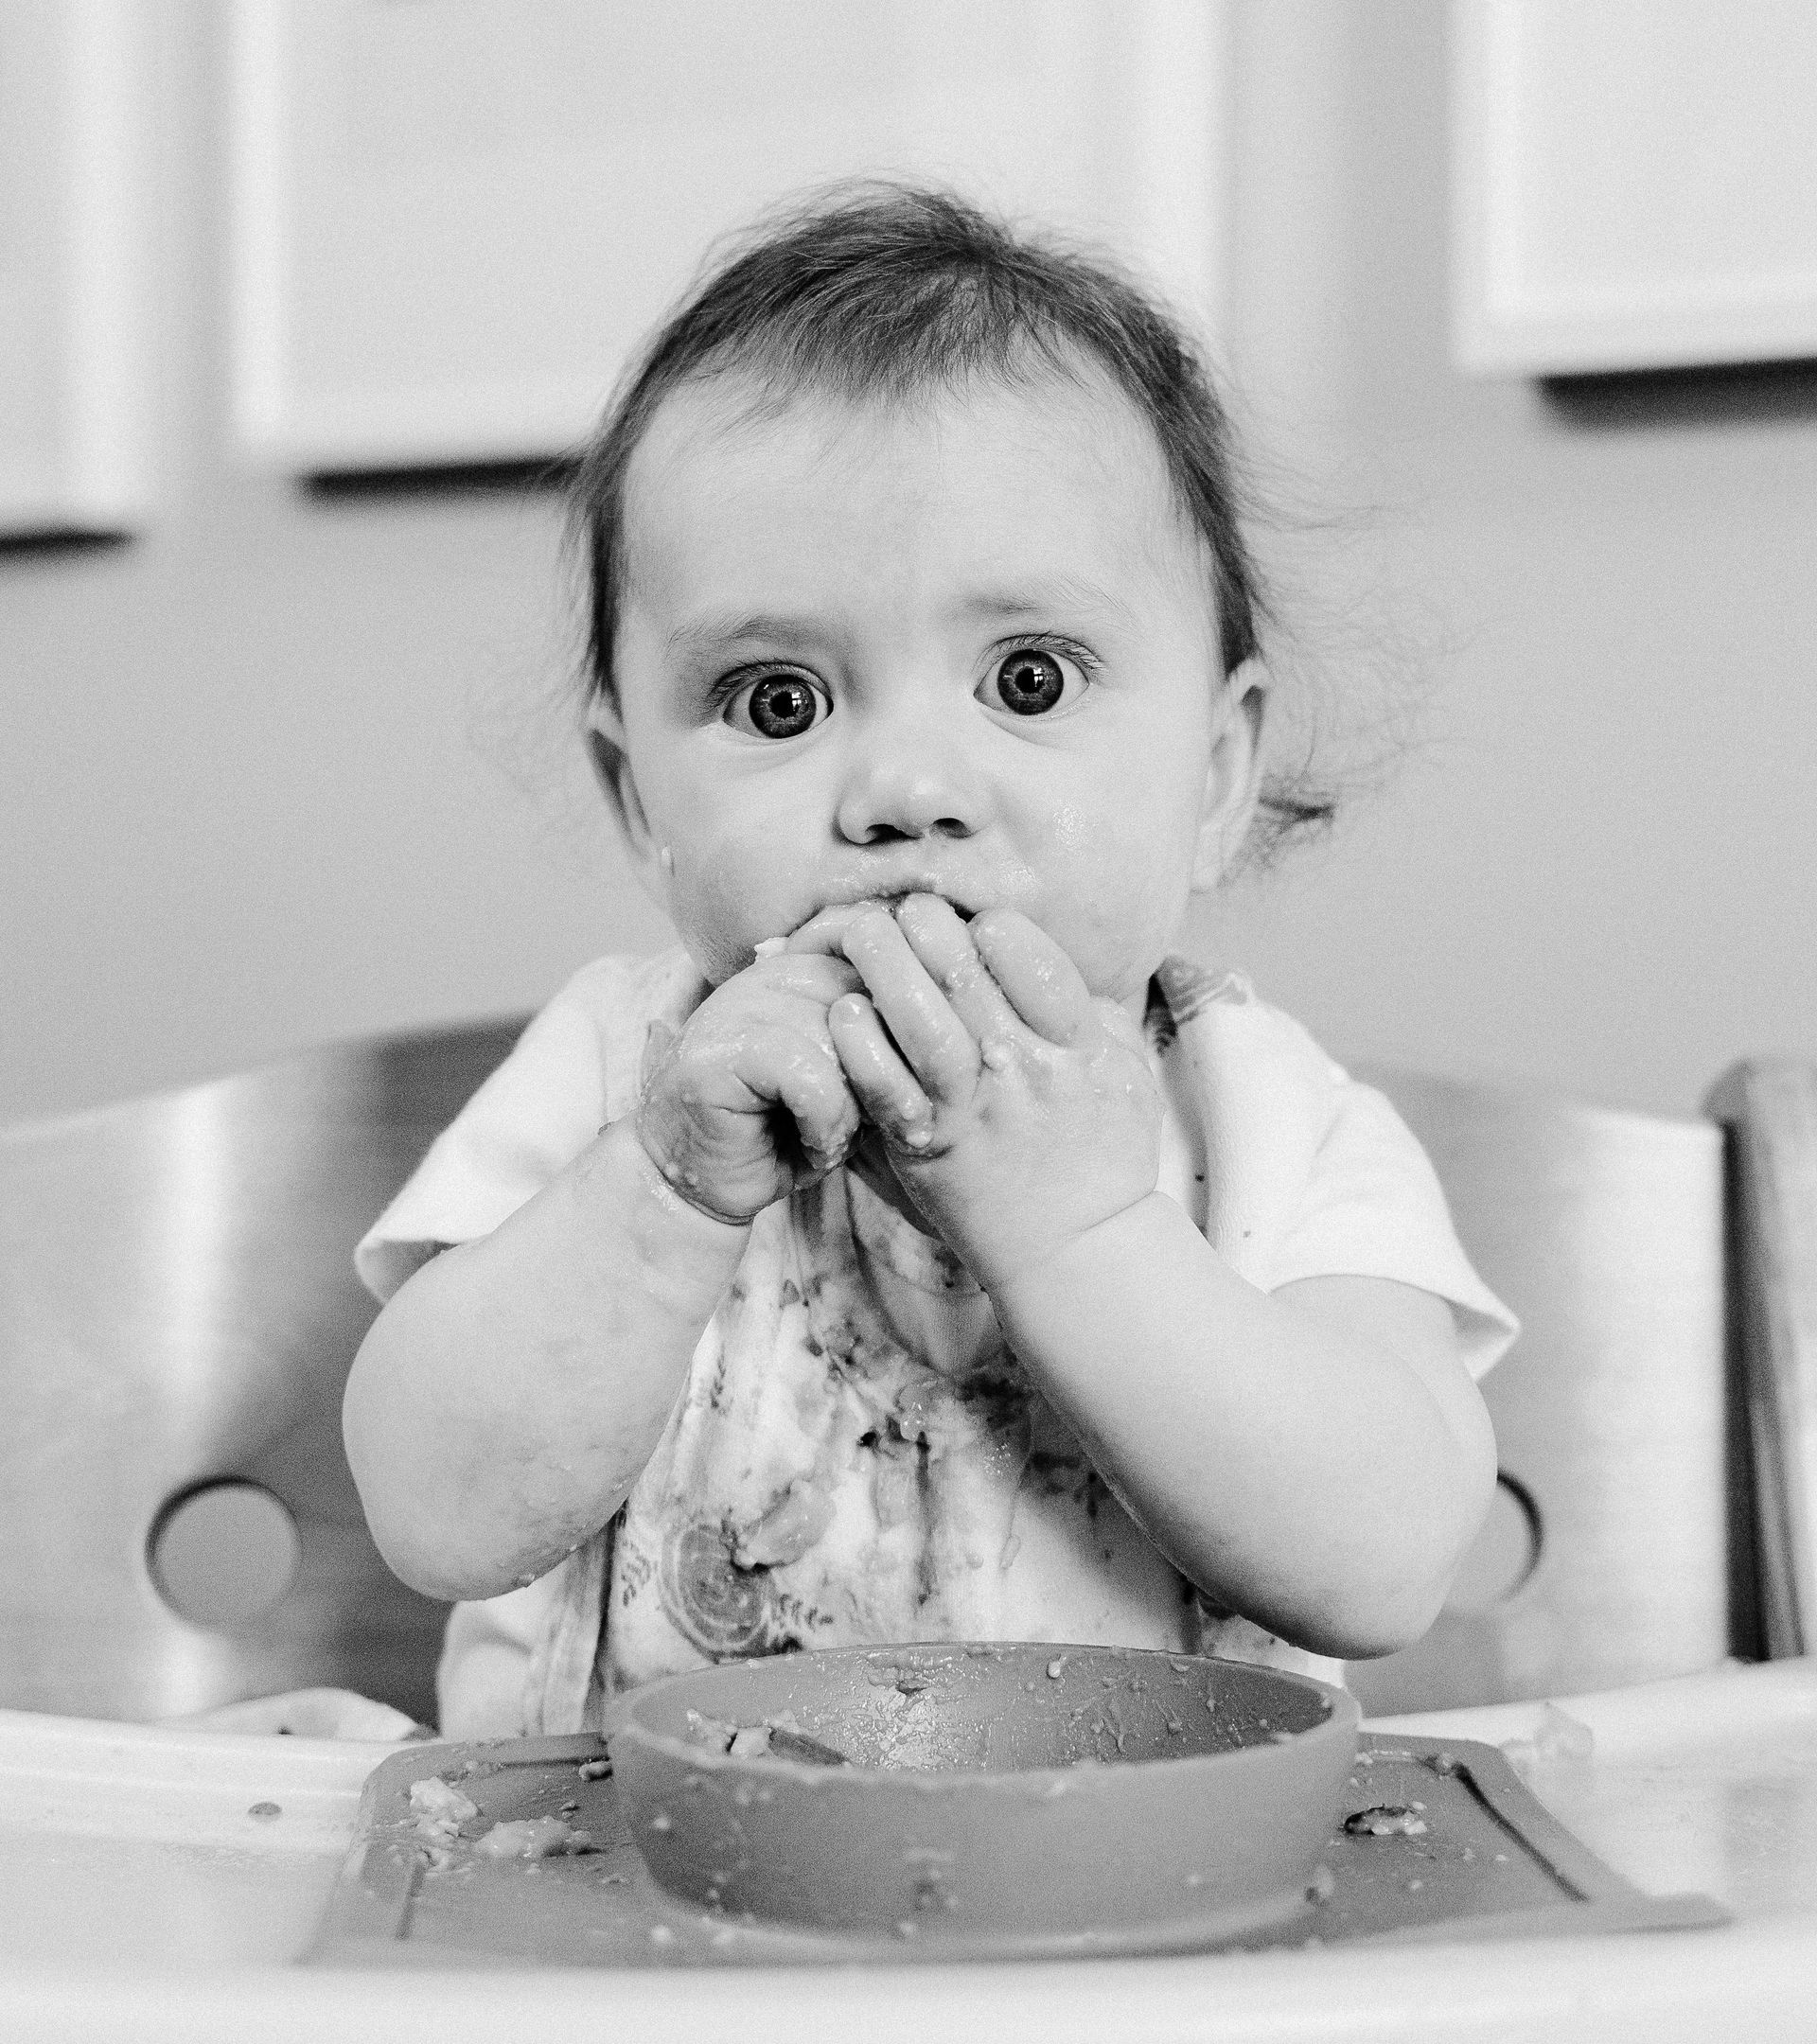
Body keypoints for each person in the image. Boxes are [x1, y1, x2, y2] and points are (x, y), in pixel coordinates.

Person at [344, 185, 1517, 1740]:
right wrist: (662, 1202)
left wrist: (1084, 1231)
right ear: (642, 802)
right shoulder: (622, 1087)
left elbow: (1382, 1562)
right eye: (776, 701)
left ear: (1217, 772)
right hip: (637, 1918)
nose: (904, 787)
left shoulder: (1266, 1125)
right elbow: (436, 1513)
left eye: (1026, 678)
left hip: (1137, 1919)